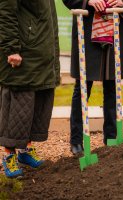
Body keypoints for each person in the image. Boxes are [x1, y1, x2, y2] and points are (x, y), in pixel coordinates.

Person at [63, 0, 123, 154]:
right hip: (87, 28)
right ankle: (76, 140)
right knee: (82, 88)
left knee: (112, 87)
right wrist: (88, 1)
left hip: (117, 30)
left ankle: (111, 138)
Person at [0, 0, 60, 178]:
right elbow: (5, 12)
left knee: (37, 102)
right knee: (18, 105)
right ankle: (8, 155)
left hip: (41, 52)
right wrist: (11, 48)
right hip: (23, 53)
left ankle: (26, 151)